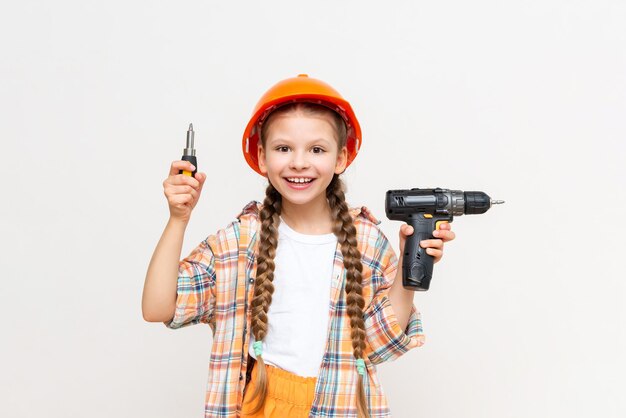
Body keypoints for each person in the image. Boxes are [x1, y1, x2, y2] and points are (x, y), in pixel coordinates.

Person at [142, 74, 456, 418]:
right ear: (262, 157)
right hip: (261, 405)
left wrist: (411, 263)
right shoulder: (242, 238)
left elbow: (381, 344)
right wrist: (178, 219)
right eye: (283, 148)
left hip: (340, 406)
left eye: (317, 149)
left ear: (341, 158)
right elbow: (158, 307)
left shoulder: (366, 241)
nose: (299, 162)